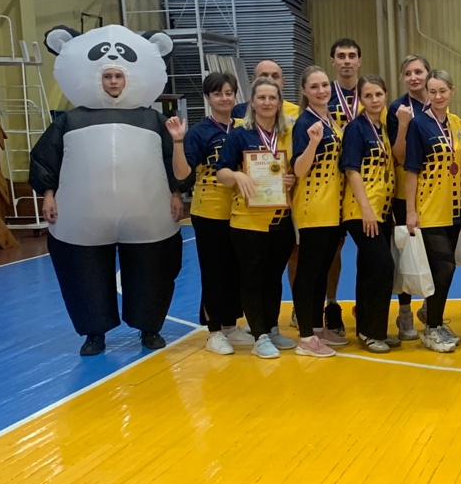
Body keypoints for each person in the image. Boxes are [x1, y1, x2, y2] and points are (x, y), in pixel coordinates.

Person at [30, 27, 183, 357]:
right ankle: (94, 332)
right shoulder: (69, 121)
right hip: (82, 215)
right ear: (98, 79)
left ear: (128, 79)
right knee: (82, 272)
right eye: (108, 76)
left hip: (147, 213)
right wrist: (48, 194)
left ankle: (150, 327)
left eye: (118, 76)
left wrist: (176, 193)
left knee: (153, 268)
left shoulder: (154, 120)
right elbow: (45, 158)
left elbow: (173, 158)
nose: (113, 82)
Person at [169, 71, 250, 355]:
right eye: (218, 94)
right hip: (210, 211)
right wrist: (178, 142)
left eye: (229, 93)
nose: (224, 98)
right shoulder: (199, 133)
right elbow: (182, 173)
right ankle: (214, 330)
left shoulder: (244, 128)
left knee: (235, 270)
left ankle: (230, 325)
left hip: (241, 210)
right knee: (214, 271)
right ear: (208, 98)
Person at [216, 76, 297, 359]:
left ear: (279, 103)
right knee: (252, 278)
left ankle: (272, 327)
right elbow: (221, 172)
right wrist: (237, 175)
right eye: (261, 97)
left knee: (273, 278)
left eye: (272, 98)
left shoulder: (287, 134)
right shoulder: (240, 134)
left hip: (281, 219)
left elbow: (296, 169)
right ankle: (259, 335)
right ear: (252, 102)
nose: (267, 102)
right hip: (248, 221)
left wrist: (292, 178)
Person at [404, 70, 461, 353]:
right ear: (427, 94)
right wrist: (410, 211)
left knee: (444, 270)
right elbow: (411, 170)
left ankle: (435, 318)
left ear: (451, 90)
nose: (438, 96)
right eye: (432, 92)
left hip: (454, 208)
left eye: (443, 90)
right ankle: (431, 328)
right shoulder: (418, 124)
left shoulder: (456, 123)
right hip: (429, 209)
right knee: (443, 267)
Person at [290, 67, 346, 358]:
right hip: (313, 206)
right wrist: (312, 143)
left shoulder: (331, 120)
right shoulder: (304, 123)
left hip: (333, 207)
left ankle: (316, 327)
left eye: (325, 85)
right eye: (314, 86)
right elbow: (299, 169)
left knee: (322, 270)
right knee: (308, 272)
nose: (321, 90)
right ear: (304, 91)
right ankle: (305, 337)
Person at [341, 75, 397, 353]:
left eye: (378, 94)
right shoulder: (356, 128)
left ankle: (369, 327)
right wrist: (365, 209)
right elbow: (351, 169)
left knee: (368, 268)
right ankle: (372, 331)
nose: (374, 100)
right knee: (382, 267)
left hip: (382, 210)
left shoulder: (383, 127)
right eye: (368, 96)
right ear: (360, 99)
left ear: (385, 95)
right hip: (361, 210)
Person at [386, 54, 430, 341]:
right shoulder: (397, 108)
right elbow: (399, 156)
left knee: (435, 253)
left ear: (427, 74)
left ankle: (430, 307)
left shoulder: (437, 102)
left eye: (418, 71)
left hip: (436, 192)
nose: (414, 77)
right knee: (406, 253)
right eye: (408, 73)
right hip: (406, 193)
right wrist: (403, 125)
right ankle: (404, 313)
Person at [323, 37, 365, 337]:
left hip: (367, 184)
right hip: (332, 186)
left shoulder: (371, 94)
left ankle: (365, 304)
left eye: (352, 55)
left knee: (369, 246)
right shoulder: (324, 95)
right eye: (341, 56)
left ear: (359, 61)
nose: (347, 61)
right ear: (333, 62)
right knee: (332, 249)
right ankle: (331, 304)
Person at [231, 59, 300, 125]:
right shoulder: (239, 111)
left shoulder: (297, 112)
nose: (269, 80)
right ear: (253, 80)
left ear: (283, 82)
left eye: (275, 76)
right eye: (264, 76)